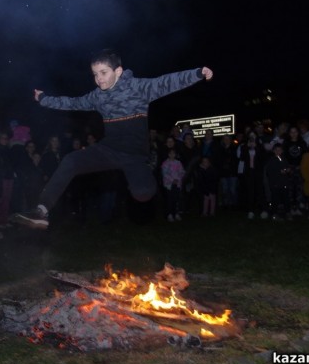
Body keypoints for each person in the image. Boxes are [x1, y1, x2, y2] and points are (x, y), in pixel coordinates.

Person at [13, 49, 213, 229]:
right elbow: (72, 102)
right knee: (70, 161)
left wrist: (197, 73)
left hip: (134, 155)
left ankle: (143, 183)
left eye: (103, 73)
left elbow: (168, 82)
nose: (98, 79)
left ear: (118, 71)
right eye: (94, 75)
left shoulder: (139, 88)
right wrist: (44, 99)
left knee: (143, 193)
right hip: (108, 150)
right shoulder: (98, 96)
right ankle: (41, 210)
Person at [264, 144, 292, 220]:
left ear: (282, 151)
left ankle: (287, 213)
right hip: (275, 183)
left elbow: (288, 168)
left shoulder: (284, 159)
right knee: (275, 199)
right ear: (273, 151)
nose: (278, 151)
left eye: (279, 150)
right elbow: (269, 171)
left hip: (284, 183)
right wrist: (280, 172)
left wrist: (288, 170)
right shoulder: (271, 160)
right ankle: (274, 214)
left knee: (286, 199)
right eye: (276, 150)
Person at [161, 149, 185, 222]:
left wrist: (177, 179)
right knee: (169, 199)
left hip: (177, 184)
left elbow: (182, 172)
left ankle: (176, 213)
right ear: (168, 154)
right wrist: (172, 180)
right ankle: (170, 214)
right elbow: (165, 174)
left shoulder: (178, 163)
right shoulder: (165, 163)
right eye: (170, 153)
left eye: (173, 153)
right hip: (169, 185)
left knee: (176, 199)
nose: (172, 155)